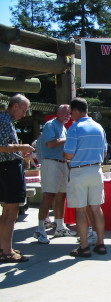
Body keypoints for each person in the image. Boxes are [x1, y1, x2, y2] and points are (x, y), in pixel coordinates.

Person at [63, 97, 108, 257]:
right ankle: (101, 243)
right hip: (96, 170)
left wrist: (66, 154)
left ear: (75, 111)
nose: (71, 116)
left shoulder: (74, 128)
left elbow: (68, 154)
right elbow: (104, 152)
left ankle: (83, 246)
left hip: (79, 171)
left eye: (71, 113)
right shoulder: (99, 127)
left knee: (80, 210)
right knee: (96, 208)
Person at [34, 104, 76, 244]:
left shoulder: (63, 127)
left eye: (69, 113)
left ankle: (60, 226)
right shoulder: (50, 125)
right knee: (48, 195)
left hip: (63, 163)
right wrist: (68, 138)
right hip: (51, 163)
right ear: (57, 113)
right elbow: (50, 144)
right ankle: (40, 229)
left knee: (62, 195)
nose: (67, 115)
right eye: (64, 112)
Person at [0, 94, 34, 263]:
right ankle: (6, 251)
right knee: (11, 211)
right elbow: (1, 147)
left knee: (7, 210)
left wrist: (19, 151)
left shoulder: (5, 120)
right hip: (9, 169)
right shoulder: (5, 121)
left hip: (6, 168)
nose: (24, 113)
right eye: (23, 109)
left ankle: (4, 247)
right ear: (15, 106)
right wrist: (23, 147)